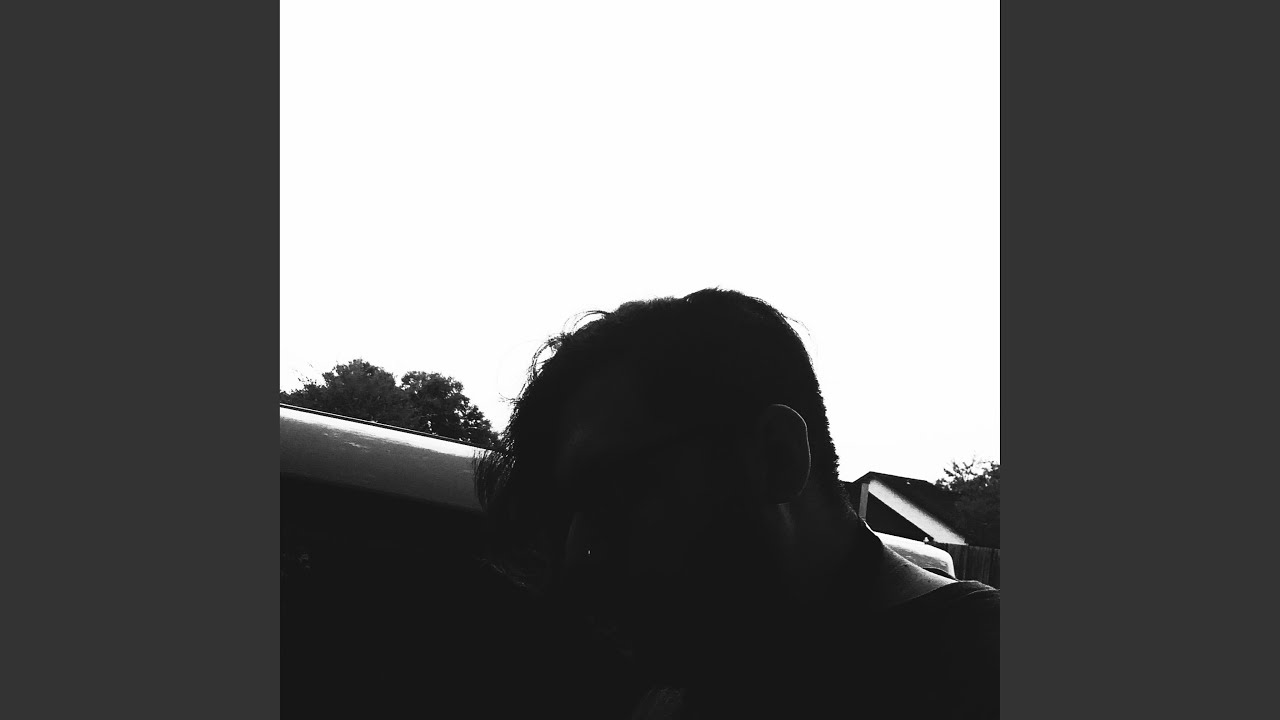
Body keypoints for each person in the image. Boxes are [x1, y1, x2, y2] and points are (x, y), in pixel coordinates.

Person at [475, 288, 999, 719]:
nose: (577, 556)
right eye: (564, 516)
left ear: (776, 457)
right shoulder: (681, 695)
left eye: (612, 494)